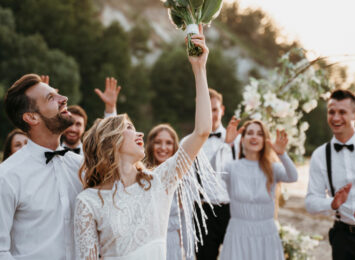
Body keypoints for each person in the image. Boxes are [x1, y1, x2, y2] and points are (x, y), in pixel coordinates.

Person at [73, 27, 213, 260]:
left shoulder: (160, 182)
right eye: (128, 128)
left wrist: (199, 68)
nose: (139, 133)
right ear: (111, 142)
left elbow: (202, 131)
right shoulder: (87, 202)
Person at [0, 74, 83, 259]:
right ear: (32, 117)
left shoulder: (82, 167)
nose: (64, 99)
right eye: (51, 98)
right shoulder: (7, 176)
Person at [305, 89, 355, 259]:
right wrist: (332, 203)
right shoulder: (320, 155)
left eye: (342, 112)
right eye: (331, 112)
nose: (336, 118)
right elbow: (310, 202)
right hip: (343, 238)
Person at [219, 120, 298, 260]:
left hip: (266, 234)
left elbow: (293, 177)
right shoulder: (232, 167)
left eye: (259, 134)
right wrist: (226, 145)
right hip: (238, 232)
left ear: (265, 140)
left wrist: (282, 154)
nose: (254, 137)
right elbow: (215, 171)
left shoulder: (273, 168)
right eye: (249, 133)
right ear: (242, 139)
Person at [195, 88, 238, 260]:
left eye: (214, 109)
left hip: (232, 210)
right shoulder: (189, 143)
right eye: (204, 109)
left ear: (222, 110)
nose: (210, 114)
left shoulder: (239, 141)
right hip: (203, 211)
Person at [144, 124, 189, 260]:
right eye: (158, 142)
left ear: (175, 147)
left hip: (172, 243)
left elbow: (186, 223)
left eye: (168, 143)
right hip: (146, 244)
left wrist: (189, 254)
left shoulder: (182, 179)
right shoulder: (140, 177)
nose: (163, 148)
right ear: (150, 145)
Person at [61, 77, 120, 155]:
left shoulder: (92, 155)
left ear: (84, 128)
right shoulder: (49, 152)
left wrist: (110, 106)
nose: (73, 129)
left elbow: (109, 139)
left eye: (78, 124)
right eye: (69, 123)